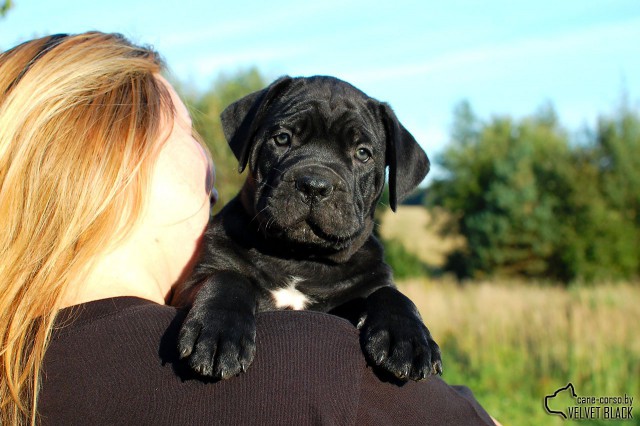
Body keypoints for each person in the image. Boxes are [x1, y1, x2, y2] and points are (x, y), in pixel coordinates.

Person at [0, 32, 499, 425]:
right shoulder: (330, 369)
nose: (316, 177)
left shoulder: (23, 360)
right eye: (285, 138)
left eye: (360, 153)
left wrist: (392, 308)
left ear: (392, 174)